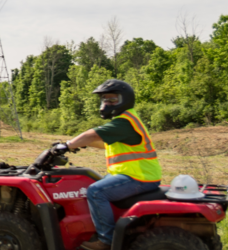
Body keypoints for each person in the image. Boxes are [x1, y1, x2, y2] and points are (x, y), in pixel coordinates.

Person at [65, 79, 162, 250]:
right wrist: (80, 144)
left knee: (95, 192)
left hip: (138, 177)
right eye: (105, 100)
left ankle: (105, 240)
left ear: (124, 100)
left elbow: (92, 134)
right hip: (135, 175)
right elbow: (106, 143)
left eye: (112, 100)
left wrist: (68, 145)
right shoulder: (127, 120)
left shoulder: (124, 122)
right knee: (93, 183)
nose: (107, 103)